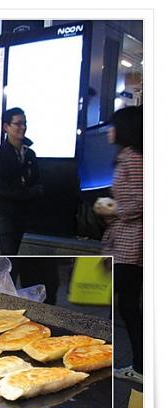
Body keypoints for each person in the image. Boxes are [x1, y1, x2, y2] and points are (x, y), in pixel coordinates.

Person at [94, 105, 143, 384]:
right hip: (122, 241)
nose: (108, 131)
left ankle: (139, 365)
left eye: (113, 126)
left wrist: (113, 209)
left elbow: (142, 200)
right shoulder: (129, 156)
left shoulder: (134, 159)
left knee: (125, 304)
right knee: (121, 302)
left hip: (129, 244)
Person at [0, 107, 43, 255]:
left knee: (13, 252)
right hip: (4, 215)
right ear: (6, 127)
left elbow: (36, 181)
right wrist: (27, 193)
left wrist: (32, 192)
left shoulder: (29, 154)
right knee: (6, 254)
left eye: (24, 123)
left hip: (22, 214)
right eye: (18, 124)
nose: (23, 127)